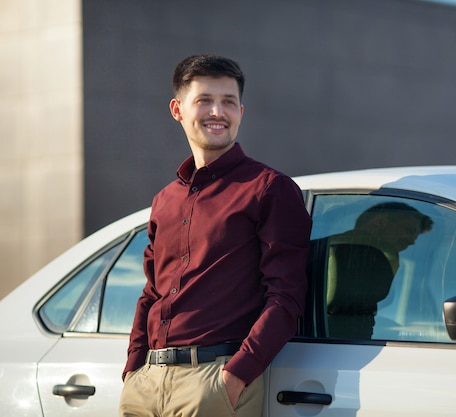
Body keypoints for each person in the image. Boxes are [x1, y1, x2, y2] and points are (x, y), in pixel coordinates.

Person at [119, 54, 312, 417]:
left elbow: (287, 295)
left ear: (241, 110)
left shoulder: (269, 189)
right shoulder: (165, 200)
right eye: (204, 100)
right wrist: (133, 368)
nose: (217, 112)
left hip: (213, 385)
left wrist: (236, 376)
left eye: (228, 102)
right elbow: (151, 292)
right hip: (146, 385)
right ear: (178, 109)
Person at [325, 202, 433, 338]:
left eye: (415, 236)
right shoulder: (376, 255)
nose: (412, 241)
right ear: (380, 221)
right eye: (409, 231)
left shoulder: (325, 246)